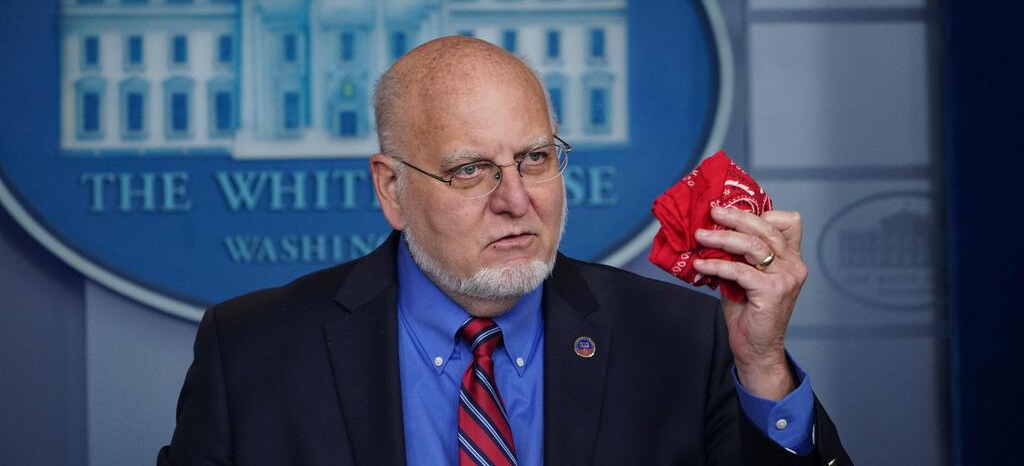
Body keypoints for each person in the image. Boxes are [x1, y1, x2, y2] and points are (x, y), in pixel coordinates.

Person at [158, 36, 852, 465]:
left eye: (535, 158)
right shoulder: (252, 349)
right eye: (470, 170)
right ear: (392, 189)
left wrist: (761, 367)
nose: (517, 199)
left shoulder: (683, 338)